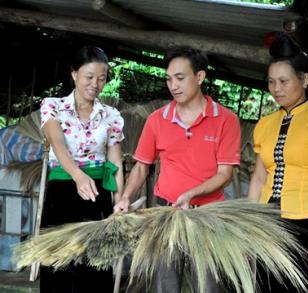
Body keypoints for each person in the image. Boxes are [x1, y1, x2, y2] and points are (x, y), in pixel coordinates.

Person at [114, 47, 241, 292]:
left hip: (209, 215)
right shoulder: (157, 120)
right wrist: (125, 198)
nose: (174, 85)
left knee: (207, 284)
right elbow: (142, 168)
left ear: (200, 77)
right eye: (169, 79)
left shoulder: (226, 120)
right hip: (166, 211)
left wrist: (192, 194)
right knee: (164, 282)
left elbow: (225, 174)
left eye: (180, 78)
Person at [247, 34, 308, 293]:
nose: (276, 88)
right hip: (266, 223)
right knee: (265, 286)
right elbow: (258, 178)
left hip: (307, 224)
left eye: (283, 81)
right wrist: (247, 226)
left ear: (304, 80)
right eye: (271, 82)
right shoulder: (265, 124)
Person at [39, 46, 124, 293]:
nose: (95, 84)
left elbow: (115, 163)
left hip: (97, 195)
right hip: (62, 191)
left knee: (97, 267)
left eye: (102, 78)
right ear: (74, 74)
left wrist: (119, 203)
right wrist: (77, 175)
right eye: (89, 77)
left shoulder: (111, 115)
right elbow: (58, 144)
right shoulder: (52, 106)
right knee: (56, 263)